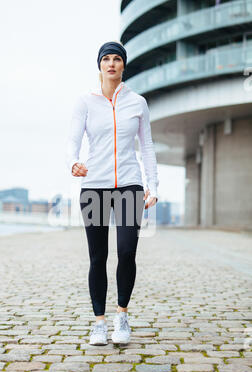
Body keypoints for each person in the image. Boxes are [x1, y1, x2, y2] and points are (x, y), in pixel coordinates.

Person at [66, 41, 159, 346]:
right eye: (106, 59)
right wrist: (73, 162)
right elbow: (73, 141)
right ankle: (99, 323)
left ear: (123, 65)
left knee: (127, 250)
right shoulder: (85, 102)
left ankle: (121, 315)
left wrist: (152, 186)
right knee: (98, 256)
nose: (111, 64)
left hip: (130, 186)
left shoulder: (138, 103)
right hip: (94, 187)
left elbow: (146, 147)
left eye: (116, 59)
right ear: (99, 65)